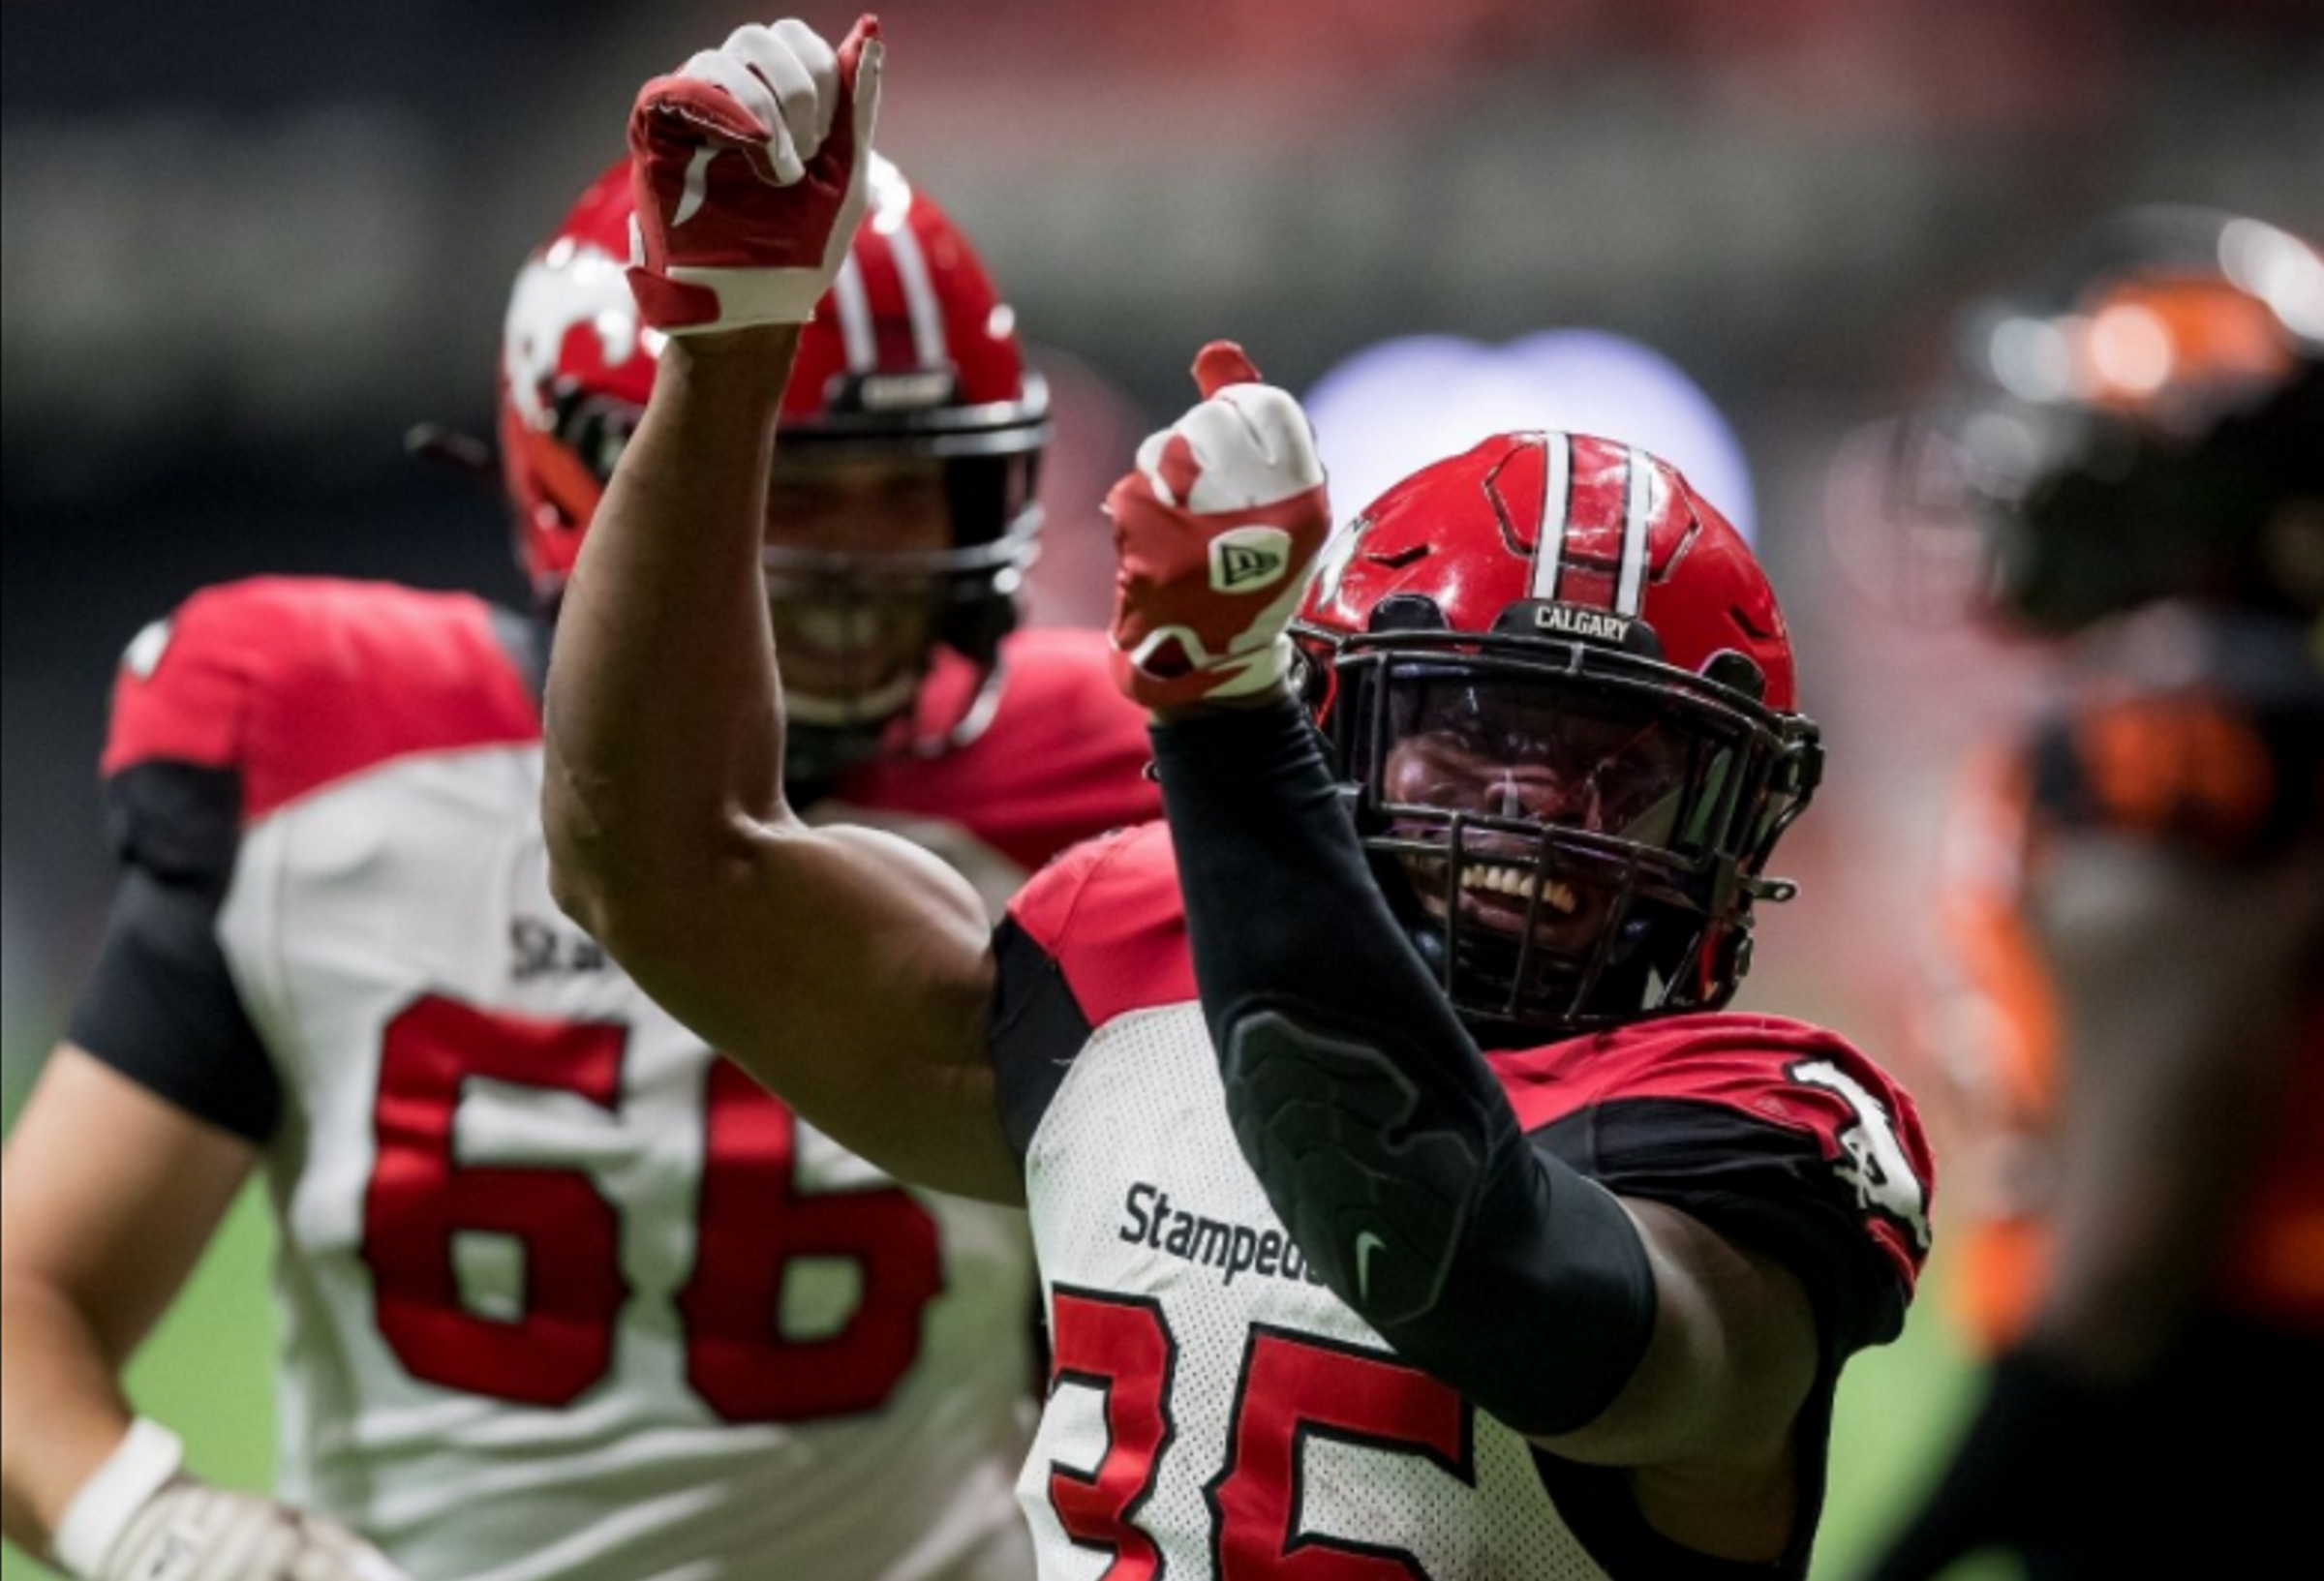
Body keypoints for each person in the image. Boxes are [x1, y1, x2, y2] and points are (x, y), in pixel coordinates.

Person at [543, 18, 1936, 1578]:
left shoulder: (1763, 1128)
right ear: (1347, 733)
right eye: (1472, 733)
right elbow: (659, 866)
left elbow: (1481, 1273)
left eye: (1628, 770)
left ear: (1736, 825)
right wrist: (727, 340)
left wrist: (1224, 723)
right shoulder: (1127, 946)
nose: (1541, 804)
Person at [0, 127, 1160, 1581]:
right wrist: (148, 1523)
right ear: (595, 482)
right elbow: (24, 1299)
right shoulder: (332, 768)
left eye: (909, 488)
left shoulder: (1089, 783)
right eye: (795, 491)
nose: (866, 561)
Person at [1862, 208, 2324, 1580]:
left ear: (2171, 469)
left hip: (2220, 1445)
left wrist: (1925, 1536)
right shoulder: (2246, 717)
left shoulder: (2172, 742)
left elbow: (2128, 1261)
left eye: (2064, 425)